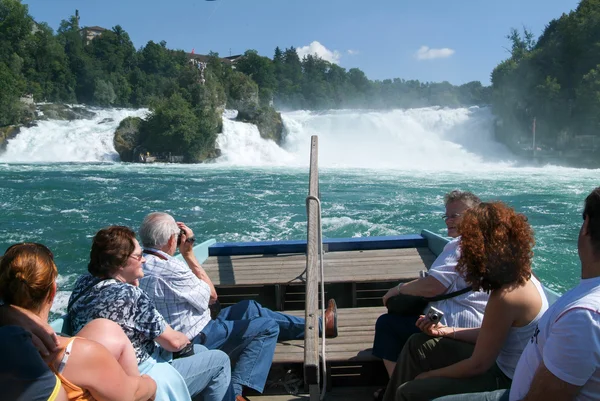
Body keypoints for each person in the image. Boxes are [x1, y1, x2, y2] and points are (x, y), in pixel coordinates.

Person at [137, 212, 338, 399]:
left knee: (250, 307)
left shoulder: (141, 264)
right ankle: (234, 392)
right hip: (196, 337)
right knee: (267, 328)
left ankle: (320, 326)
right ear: (173, 239)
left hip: (189, 326)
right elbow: (212, 297)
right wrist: (189, 254)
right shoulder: (171, 268)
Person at [383, 201, 549, 401]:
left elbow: (478, 365)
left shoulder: (506, 296)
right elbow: (492, 333)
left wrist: (428, 376)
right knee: (417, 343)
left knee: (409, 391)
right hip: (501, 363)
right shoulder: (523, 276)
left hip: (507, 379)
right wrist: (447, 331)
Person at [68, 226, 232, 401]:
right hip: (139, 378)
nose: (144, 261)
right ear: (121, 263)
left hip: (99, 377)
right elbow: (174, 343)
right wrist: (184, 340)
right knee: (220, 361)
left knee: (201, 350)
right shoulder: (129, 295)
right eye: (138, 256)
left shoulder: (83, 283)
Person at [0, 242, 157, 401]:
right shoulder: (77, 354)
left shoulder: (6, 349)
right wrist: (150, 384)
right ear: (53, 291)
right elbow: (131, 394)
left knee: (103, 327)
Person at [373, 190, 489, 378]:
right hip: (483, 328)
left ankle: (397, 389)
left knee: (387, 324)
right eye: (446, 216)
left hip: (454, 327)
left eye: (454, 216)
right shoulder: (492, 244)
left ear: (474, 216)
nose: (448, 220)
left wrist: (398, 289)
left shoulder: (460, 245)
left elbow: (434, 286)